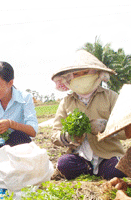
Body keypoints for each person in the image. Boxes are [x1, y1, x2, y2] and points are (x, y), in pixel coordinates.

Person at [51, 49, 126, 180]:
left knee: (117, 168)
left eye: (85, 73)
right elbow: (54, 135)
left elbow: (127, 130)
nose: (81, 77)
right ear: (69, 77)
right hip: (80, 157)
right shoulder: (66, 102)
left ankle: (103, 170)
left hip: (108, 155)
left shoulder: (111, 97)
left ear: (96, 73)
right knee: (64, 164)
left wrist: (106, 128)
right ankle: (89, 170)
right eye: (76, 74)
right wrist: (69, 136)